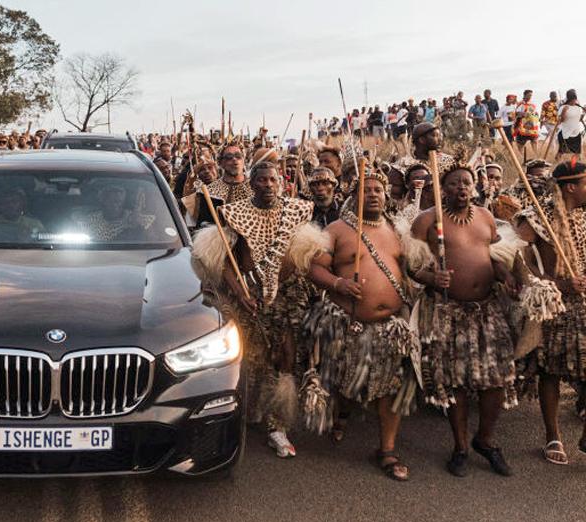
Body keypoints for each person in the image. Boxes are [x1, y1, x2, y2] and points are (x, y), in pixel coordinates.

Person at [192, 161, 315, 458]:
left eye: (273, 179)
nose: (268, 185)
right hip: (248, 297)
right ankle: (238, 416)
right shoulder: (236, 214)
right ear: (252, 182)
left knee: (285, 357)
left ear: (280, 182)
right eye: (261, 180)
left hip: (287, 298)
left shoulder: (296, 212)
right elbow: (220, 263)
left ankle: (277, 425)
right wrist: (241, 293)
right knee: (247, 359)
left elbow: (307, 256)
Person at [304, 171, 417, 480]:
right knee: (343, 382)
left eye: (379, 190)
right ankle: (341, 414)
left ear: (387, 195)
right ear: (355, 197)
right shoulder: (337, 230)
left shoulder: (397, 230)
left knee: (391, 388)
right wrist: (338, 282)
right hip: (348, 324)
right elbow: (314, 268)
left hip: (390, 327)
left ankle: (387, 450)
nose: (374, 195)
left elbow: (414, 270)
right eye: (367, 190)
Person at [409, 160, 518, 478]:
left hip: (487, 309)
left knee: (497, 379)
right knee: (455, 381)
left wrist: (506, 276)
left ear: (474, 186)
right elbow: (409, 267)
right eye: (454, 183)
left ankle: (484, 440)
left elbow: (495, 258)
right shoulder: (427, 221)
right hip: (447, 311)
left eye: (466, 182)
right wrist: (431, 277)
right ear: (443, 189)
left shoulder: (485, 217)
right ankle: (459, 446)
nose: (461, 188)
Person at [514, 160, 586, 464]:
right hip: (553, 303)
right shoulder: (537, 219)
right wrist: (556, 282)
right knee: (550, 370)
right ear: (570, 187)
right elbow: (516, 261)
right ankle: (552, 435)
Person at [557, 89, 584, 155]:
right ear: (569, 99)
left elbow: (579, 119)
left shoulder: (578, 108)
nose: (575, 101)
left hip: (576, 132)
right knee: (562, 151)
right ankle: (557, 162)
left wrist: (583, 113)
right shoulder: (563, 107)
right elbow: (561, 120)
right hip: (565, 133)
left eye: (575, 100)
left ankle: (575, 164)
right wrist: (564, 111)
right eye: (573, 100)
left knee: (577, 153)